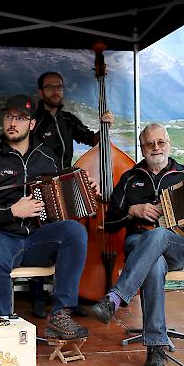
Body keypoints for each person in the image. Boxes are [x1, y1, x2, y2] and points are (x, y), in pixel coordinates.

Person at [88, 123, 184, 366]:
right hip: (138, 245)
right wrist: (132, 211)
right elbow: (109, 224)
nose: (156, 148)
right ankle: (156, 348)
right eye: (149, 144)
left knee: (159, 234)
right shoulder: (130, 178)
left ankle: (115, 298)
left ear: (169, 144)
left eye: (161, 142)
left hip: (179, 245)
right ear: (142, 147)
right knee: (153, 264)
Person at [0, 94, 89, 340]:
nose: (13, 122)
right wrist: (11, 211)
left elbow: (59, 207)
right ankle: (4, 330)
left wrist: (83, 191)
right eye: (9, 116)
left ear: (31, 124)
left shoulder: (48, 159)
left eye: (20, 118)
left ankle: (60, 316)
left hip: (36, 238)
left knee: (74, 232)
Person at [31, 71, 114, 317]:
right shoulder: (34, 120)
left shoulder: (67, 119)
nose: (56, 91)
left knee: (69, 237)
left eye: (60, 87)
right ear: (40, 92)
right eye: (50, 87)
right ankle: (37, 295)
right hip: (41, 184)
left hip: (65, 185)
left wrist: (105, 126)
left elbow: (92, 139)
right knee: (41, 230)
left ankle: (67, 296)